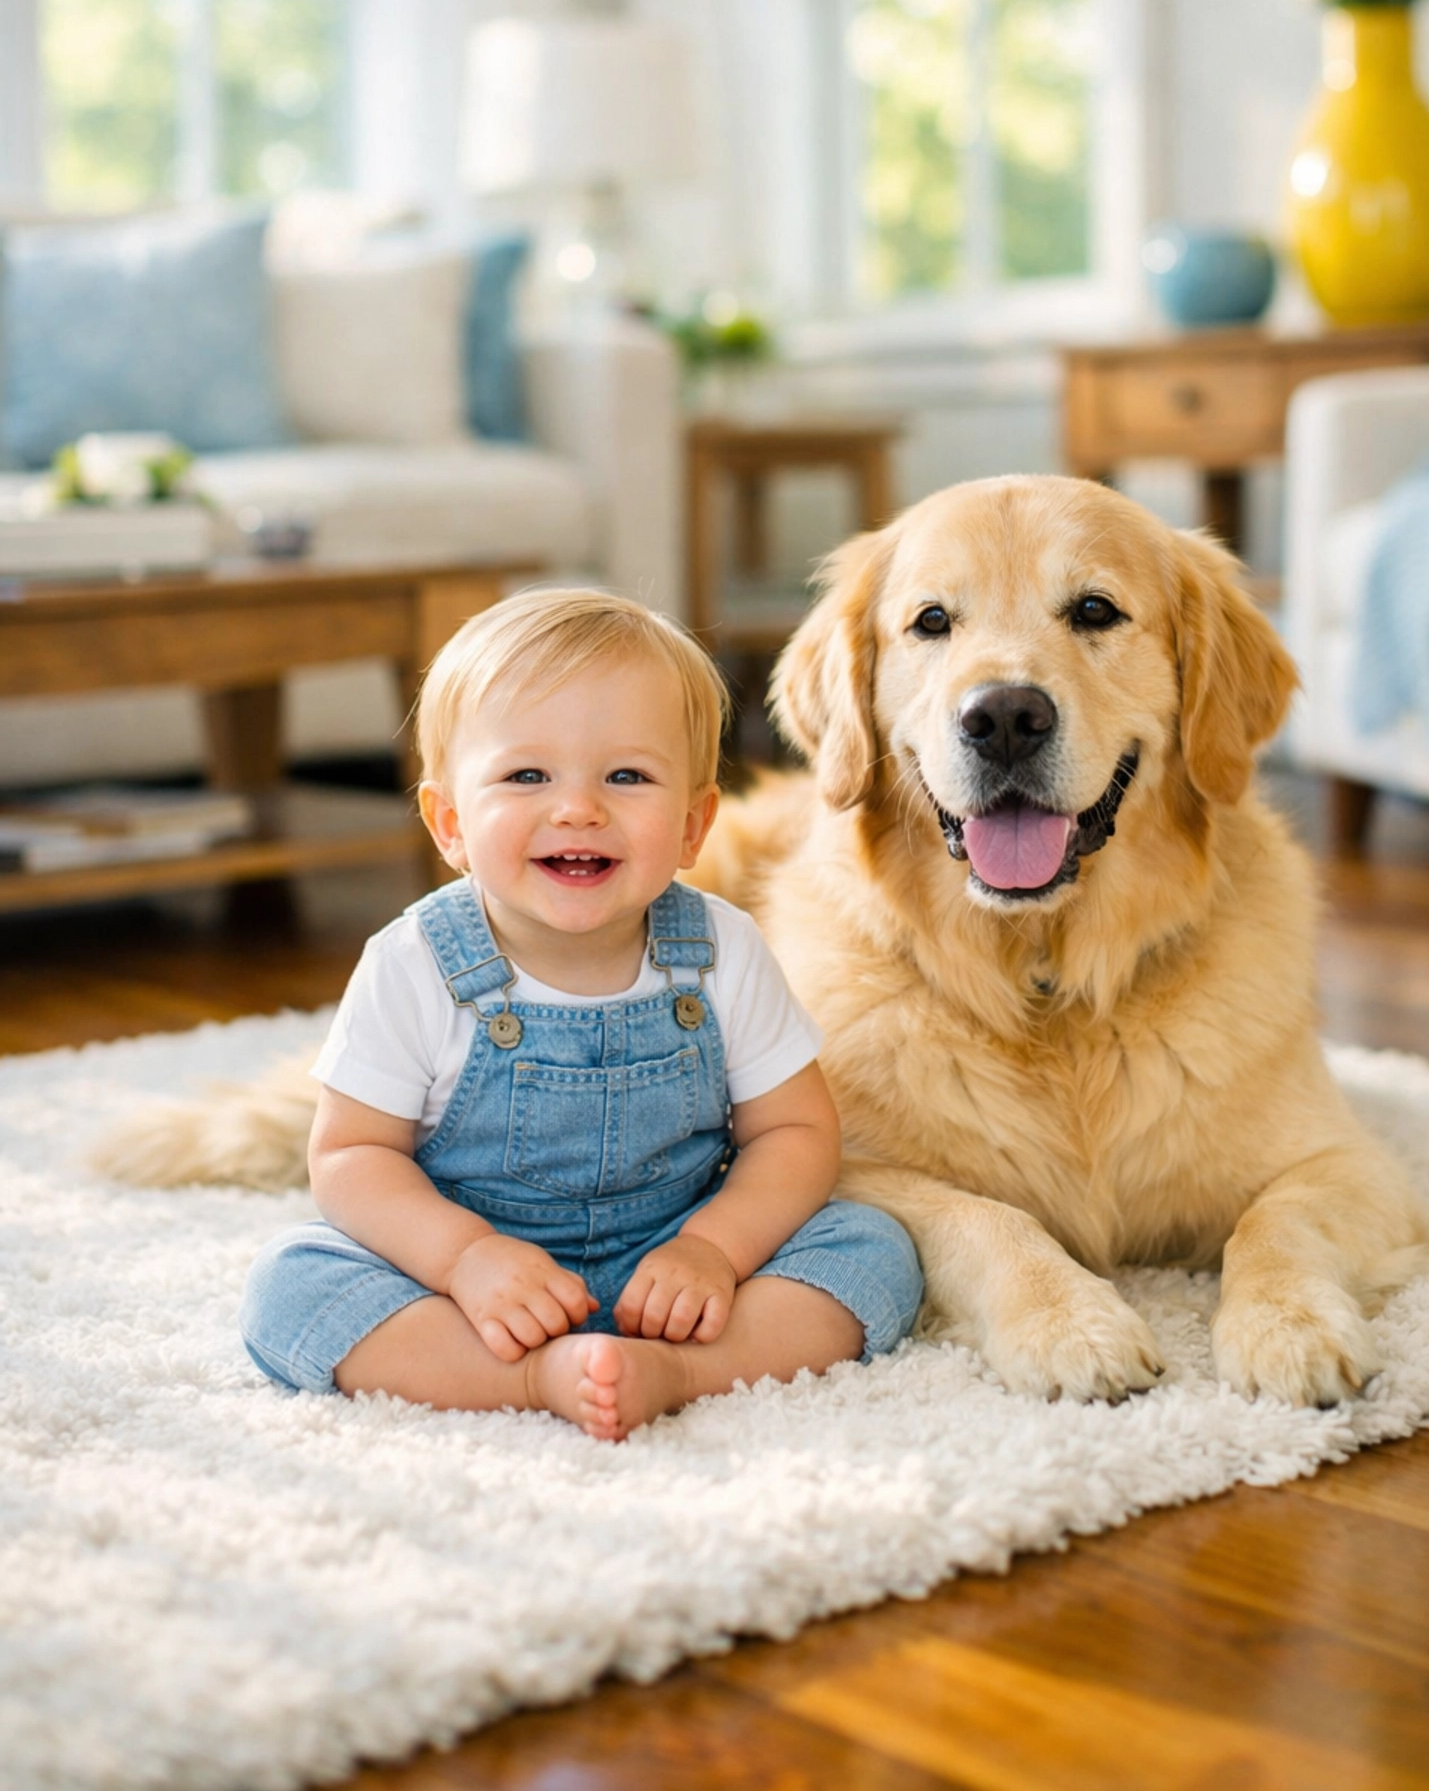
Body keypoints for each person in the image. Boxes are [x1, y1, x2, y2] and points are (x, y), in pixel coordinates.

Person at [241, 587, 923, 1441]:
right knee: (290, 1285)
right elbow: (351, 1154)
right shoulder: (413, 963)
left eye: (627, 776)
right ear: (448, 821)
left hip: (677, 1252)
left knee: (873, 1252)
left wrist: (716, 1249)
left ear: (692, 824)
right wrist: (466, 1260)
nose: (578, 808)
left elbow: (796, 1134)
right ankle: (534, 1377)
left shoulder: (722, 950)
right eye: (527, 775)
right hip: (471, 1275)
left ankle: (676, 1369)